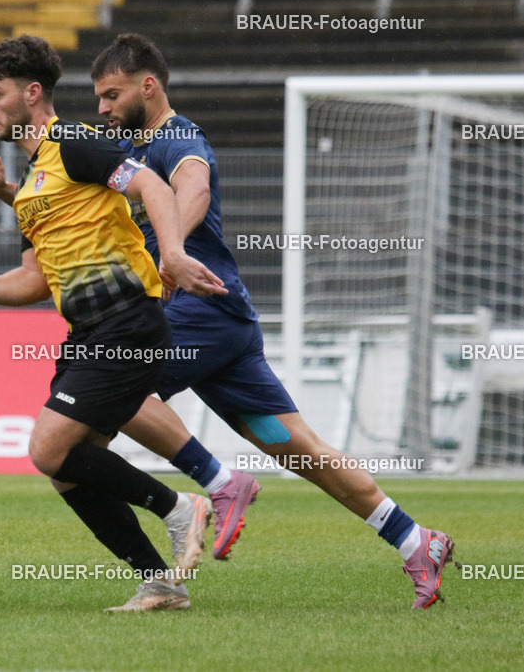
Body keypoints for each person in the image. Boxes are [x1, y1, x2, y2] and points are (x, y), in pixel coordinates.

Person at [88, 33, 455, 609]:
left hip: (198, 308)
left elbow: (197, 187)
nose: (104, 108)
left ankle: (218, 484)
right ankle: (415, 540)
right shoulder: (138, 151)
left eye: (112, 94)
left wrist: (172, 255)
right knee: (300, 449)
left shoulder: (177, 137)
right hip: (223, 320)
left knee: (105, 388)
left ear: (148, 86)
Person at [0, 35, 223, 611]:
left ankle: (180, 508)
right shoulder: (34, 181)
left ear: (32, 94)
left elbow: (152, 184)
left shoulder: (73, 142)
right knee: (69, 472)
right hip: (88, 335)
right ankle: (161, 584)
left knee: (47, 449)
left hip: (127, 324)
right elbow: (36, 280)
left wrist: (175, 252)